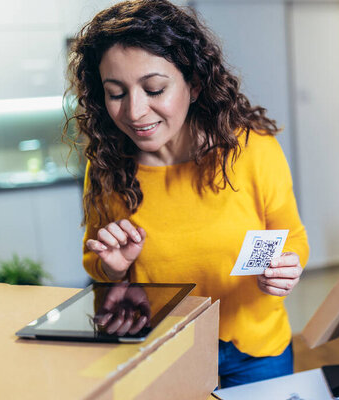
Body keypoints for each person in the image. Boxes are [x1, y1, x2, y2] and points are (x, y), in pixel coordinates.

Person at [64, 0, 309, 388]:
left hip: (256, 350)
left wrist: (286, 267)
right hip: (161, 347)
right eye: (116, 93)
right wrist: (113, 267)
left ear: (194, 84)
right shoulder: (108, 166)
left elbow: (291, 235)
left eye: (154, 89)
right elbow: (94, 260)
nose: (135, 111)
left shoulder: (252, 148)